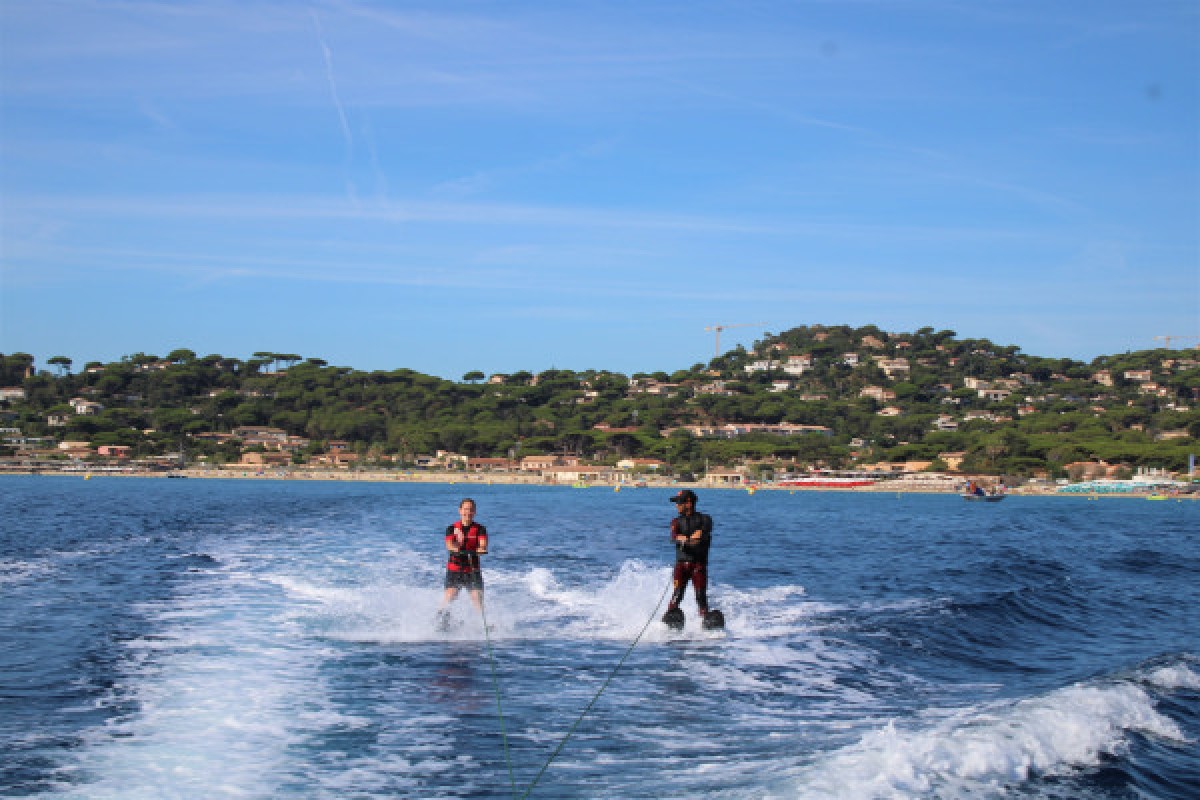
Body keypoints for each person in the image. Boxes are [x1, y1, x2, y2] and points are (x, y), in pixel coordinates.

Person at [437, 498, 488, 626]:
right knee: (450, 595)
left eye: (471, 510)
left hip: (472, 570)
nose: (468, 512)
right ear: (460, 511)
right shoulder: (451, 528)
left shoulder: (480, 529)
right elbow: (449, 545)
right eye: (465, 509)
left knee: (477, 598)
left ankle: (483, 625)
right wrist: (456, 549)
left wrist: (480, 550)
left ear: (474, 512)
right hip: (455, 570)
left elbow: (483, 545)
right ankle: (440, 621)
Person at [666, 489, 713, 619]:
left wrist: (687, 539)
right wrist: (686, 539)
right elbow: (675, 536)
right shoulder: (675, 522)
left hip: (698, 565)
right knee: (677, 594)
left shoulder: (705, 519)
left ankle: (705, 619)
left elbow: (699, 537)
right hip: (681, 565)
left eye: (679, 502)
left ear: (688, 503)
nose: (676, 505)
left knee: (700, 596)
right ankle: (670, 616)